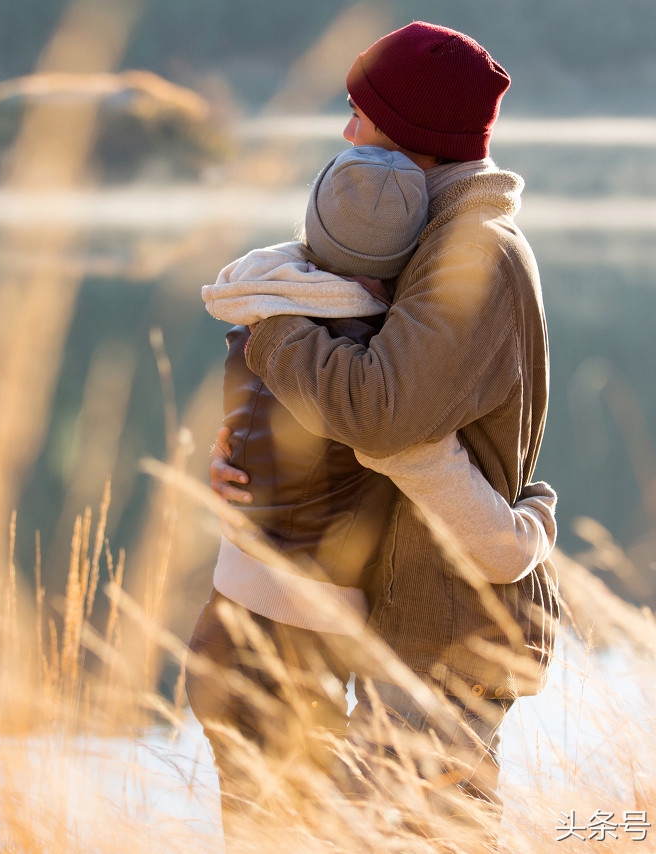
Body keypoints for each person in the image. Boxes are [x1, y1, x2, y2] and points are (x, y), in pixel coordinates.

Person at [205, 20, 559, 825]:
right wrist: (247, 455)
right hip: (417, 607)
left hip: (453, 625)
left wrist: (272, 329)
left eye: (360, 114)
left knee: (427, 833)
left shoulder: (473, 253)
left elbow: (382, 415)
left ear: (413, 136)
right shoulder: (430, 240)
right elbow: (379, 414)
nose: (346, 131)